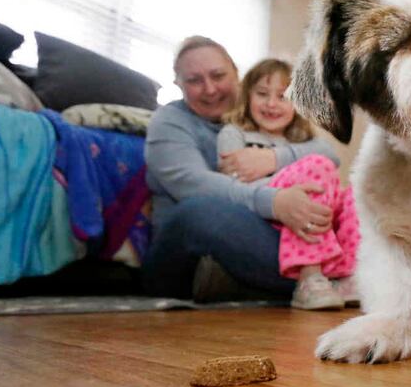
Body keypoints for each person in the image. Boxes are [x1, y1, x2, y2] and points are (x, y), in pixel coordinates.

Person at [142, 36, 341, 302]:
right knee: (199, 210)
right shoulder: (168, 121)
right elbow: (193, 184)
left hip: (265, 235)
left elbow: (328, 153)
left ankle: (320, 277)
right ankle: (329, 278)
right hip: (183, 250)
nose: (210, 89)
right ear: (178, 84)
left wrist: (274, 158)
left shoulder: (262, 117)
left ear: (237, 74)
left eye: (218, 75)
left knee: (348, 200)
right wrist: (276, 202)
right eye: (194, 80)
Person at [218, 59, 359, 310]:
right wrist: (288, 189)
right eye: (262, 94)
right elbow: (232, 183)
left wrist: (272, 160)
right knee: (316, 167)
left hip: (316, 209)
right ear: (247, 96)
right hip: (270, 208)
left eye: (283, 96)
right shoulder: (234, 133)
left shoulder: (302, 139)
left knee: (357, 192)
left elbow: (331, 156)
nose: (272, 104)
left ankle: (348, 277)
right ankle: (309, 277)